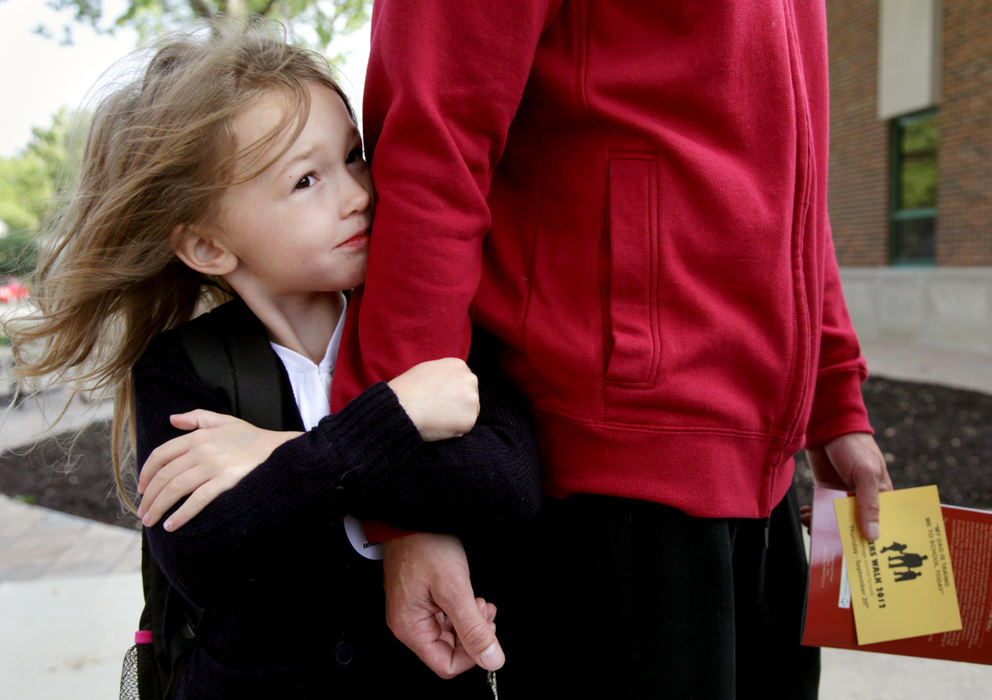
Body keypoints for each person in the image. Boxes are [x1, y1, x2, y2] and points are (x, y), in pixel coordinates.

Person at [330, 1, 895, 697]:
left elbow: (795, 175)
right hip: (607, 489)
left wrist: (836, 400)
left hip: (766, 492)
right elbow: (432, 151)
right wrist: (412, 499)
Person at [6, 21, 539, 698]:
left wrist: (274, 455)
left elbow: (507, 482)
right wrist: (391, 423)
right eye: (307, 180)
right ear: (207, 247)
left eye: (353, 156)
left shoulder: (426, 327)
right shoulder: (183, 368)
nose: (359, 193)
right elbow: (203, 551)